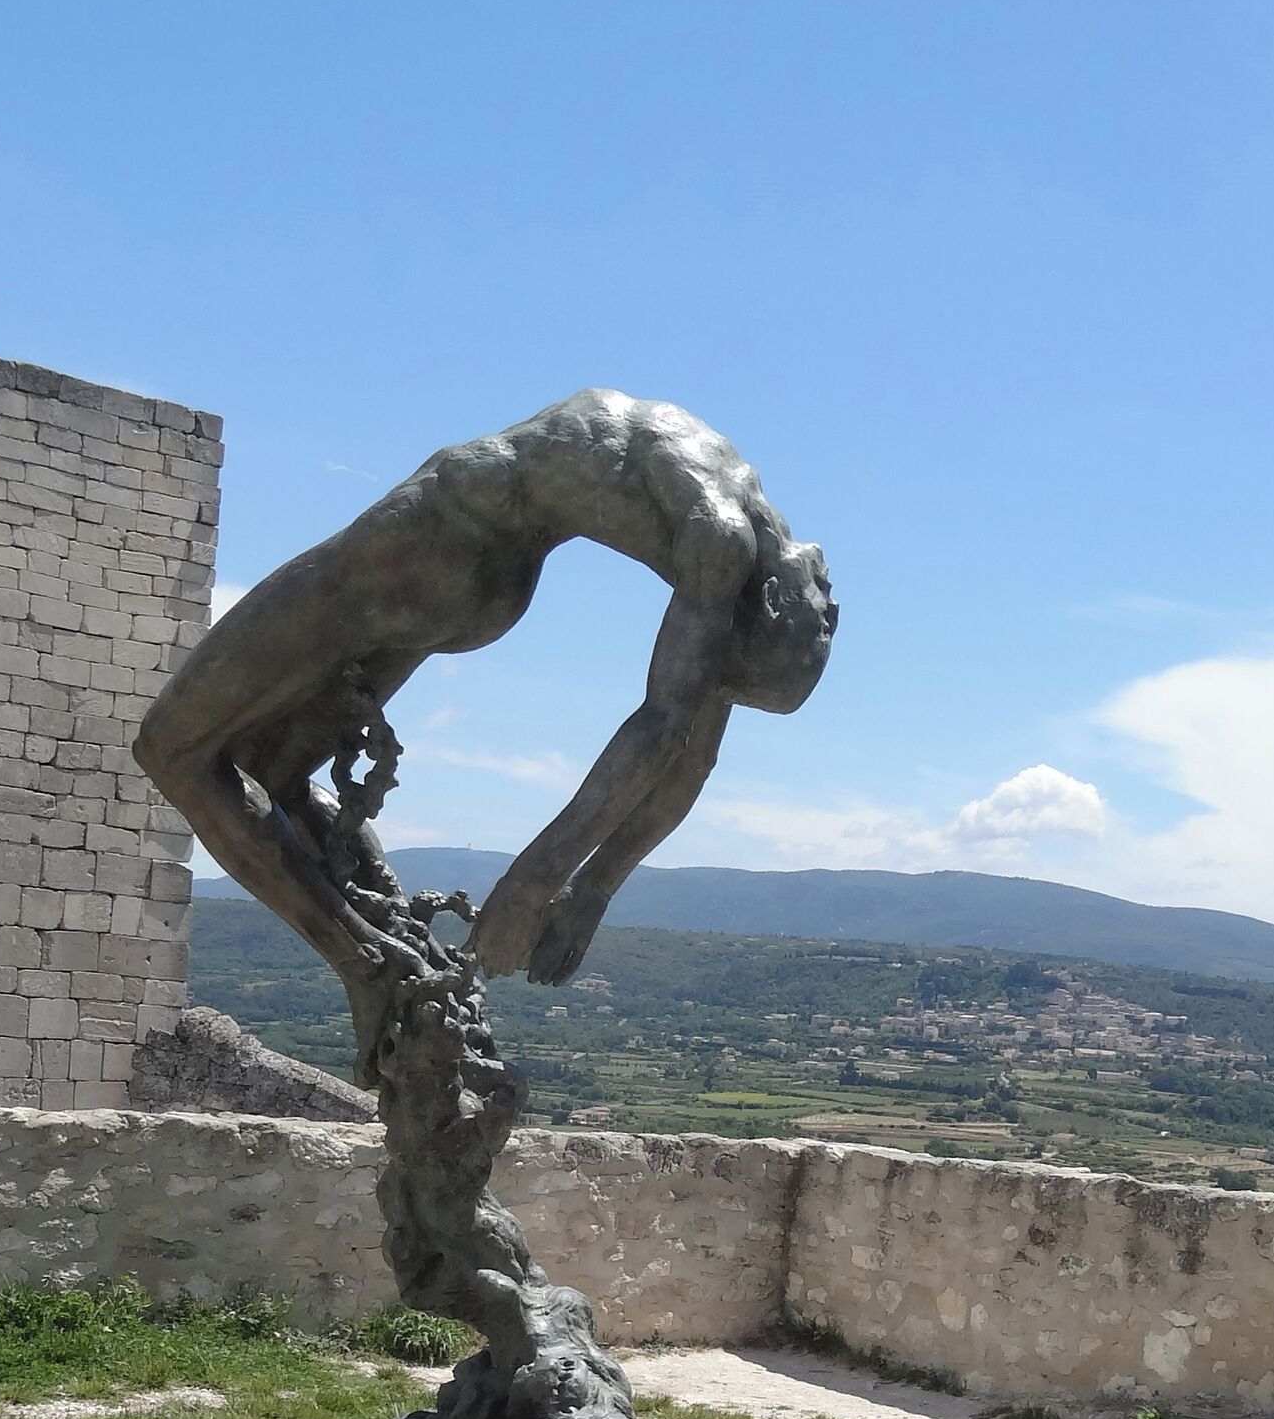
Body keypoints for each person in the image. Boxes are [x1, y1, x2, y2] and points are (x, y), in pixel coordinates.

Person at [135, 390, 836, 1076]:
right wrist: (573, 889)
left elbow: (679, 742)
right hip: (476, 578)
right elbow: (677, 740)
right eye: (730, 673)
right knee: (273, 776)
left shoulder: (730, 530)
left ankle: (371, 970)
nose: (718, 681)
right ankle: (397, 954)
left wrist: (553, 887)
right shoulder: (725, 538)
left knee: (173, 747)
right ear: (777, 605)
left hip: (434, 547)